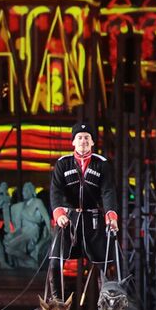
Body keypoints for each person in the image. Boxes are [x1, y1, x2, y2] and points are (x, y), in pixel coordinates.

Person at [49, 122, 119, 300]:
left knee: (106, 263)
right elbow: (56, 191)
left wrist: (111, 217)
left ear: (93, 142)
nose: (83, 141)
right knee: (55, 260)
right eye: (79, 138)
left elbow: (108, 192)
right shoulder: (62, 164)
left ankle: (107, 302)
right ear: (73, 142)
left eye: (87, 138)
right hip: (68, 221)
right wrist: (59, 215)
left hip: (93, 219)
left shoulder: (102, 164)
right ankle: (56, 302)